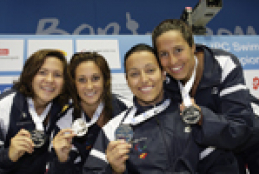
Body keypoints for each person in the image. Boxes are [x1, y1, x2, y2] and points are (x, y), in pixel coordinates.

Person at [152, 19, 259, 173]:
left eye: (178, 50)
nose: (172, 61)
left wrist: (201, 118)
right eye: (164, 54)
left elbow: (240, 126)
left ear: (192, 47)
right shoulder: (163, 79)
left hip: (251, 140)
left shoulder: (223, 64)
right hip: (217, 151)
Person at [83, 44, 205, 174]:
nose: (144, 79)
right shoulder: (113, 128)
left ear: (163, 73)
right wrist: (114, 171)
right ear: (127, 80)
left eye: (150, 70)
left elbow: (217, 164)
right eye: (134, 74)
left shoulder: (190, 114)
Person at [47, 52, 131, 174]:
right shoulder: (64, 123)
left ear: (105, 80)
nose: (89, 86)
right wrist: (62, 160)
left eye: (95, 78)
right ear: (73, 84)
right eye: (82, 80)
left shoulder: (127, 110)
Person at [0, 49, 70, 174]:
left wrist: (62, 159)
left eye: (57, 75)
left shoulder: (65, 111)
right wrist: (8, 154)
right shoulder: (5, 105)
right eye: (42, 72)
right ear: (30, 75)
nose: (50, 80)